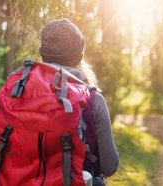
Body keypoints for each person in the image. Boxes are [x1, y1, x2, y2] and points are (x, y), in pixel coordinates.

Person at [39, 18, 119, 186]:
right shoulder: (92, 100)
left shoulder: (21, 91)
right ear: (78, 56)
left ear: (43, 55)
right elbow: (109, 166)